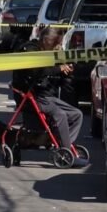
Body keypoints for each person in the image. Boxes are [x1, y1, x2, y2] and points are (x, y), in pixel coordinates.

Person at [14, 27, 86, 166]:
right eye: (56, 44)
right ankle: (65, 151)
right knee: (60, 115)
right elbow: (37, 72)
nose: (58, 47)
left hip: (46, 95)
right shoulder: (30, 50)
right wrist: (58, 68)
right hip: (31, 96)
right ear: (47, 41)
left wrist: (66, 72)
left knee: (77, 114)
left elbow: (59, 81)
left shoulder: (52, 53)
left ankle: (64, 146)